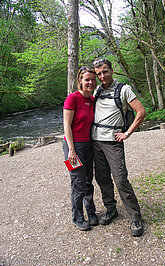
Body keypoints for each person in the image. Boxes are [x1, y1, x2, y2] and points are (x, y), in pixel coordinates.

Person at [92, 59, 146, 236]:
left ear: (112, 71)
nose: (102, 76)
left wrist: (127, 133)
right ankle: (111, 209)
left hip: (113, 142)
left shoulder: (123, 89)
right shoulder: (98, 89)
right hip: (96, 141)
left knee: (120, 179)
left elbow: (141, 112)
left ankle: (135, 216)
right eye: (99, 73)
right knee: (102, 178)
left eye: (105, 72)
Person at [63, 66, 98, 231]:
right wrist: (71, 149)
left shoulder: (92, 100)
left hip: (88, 145)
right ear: (80, 80)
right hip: (72, 146)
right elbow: (66, 125)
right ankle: (77, 216)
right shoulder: (72, 98)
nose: (90, 82)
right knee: (77, 182)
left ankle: (91, 212)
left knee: (88, 180)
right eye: (87, 79)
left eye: (92, 79)